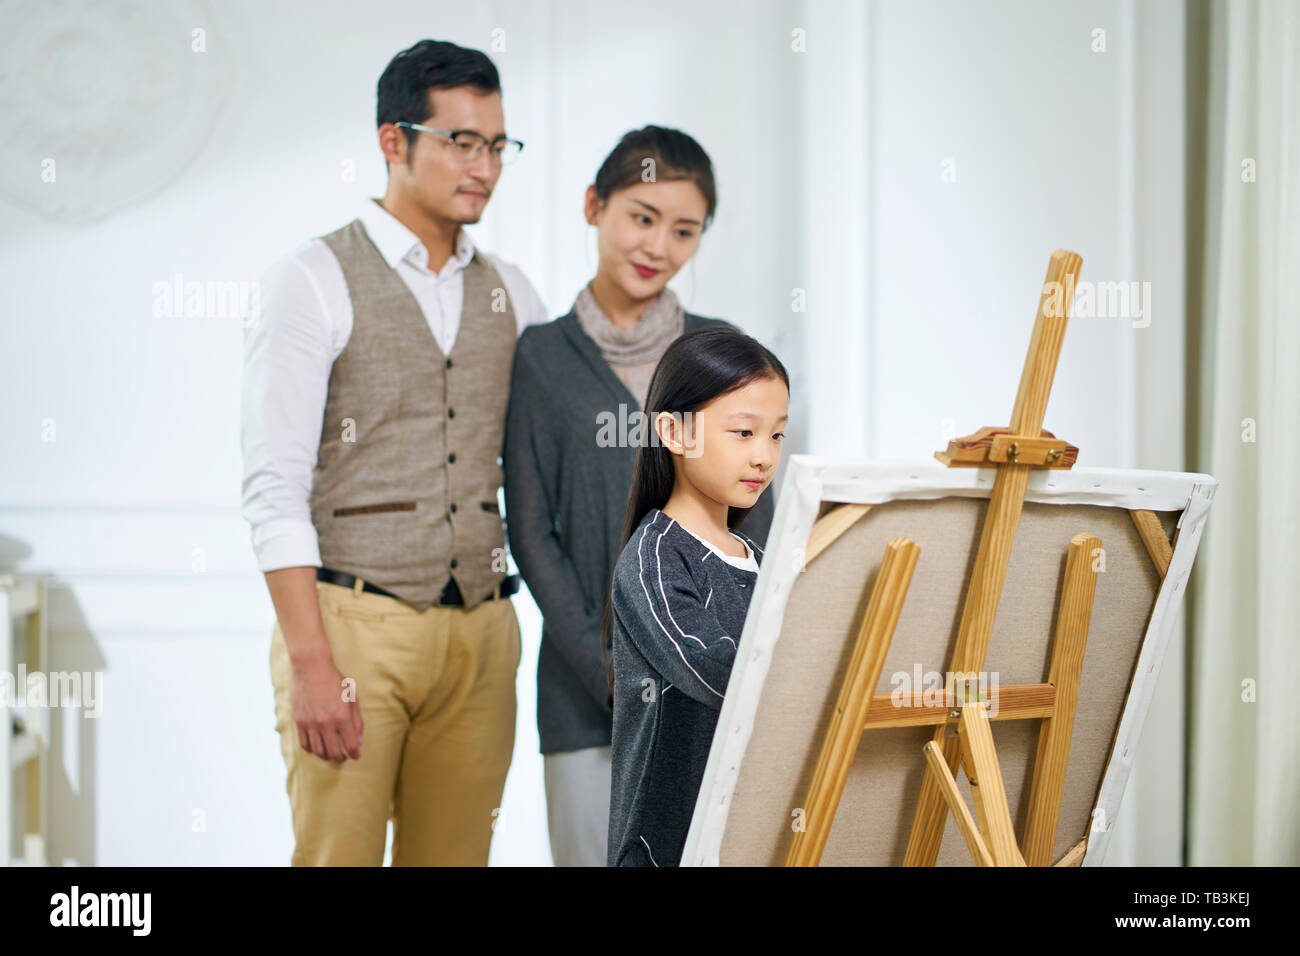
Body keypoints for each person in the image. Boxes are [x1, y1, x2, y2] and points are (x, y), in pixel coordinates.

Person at [240, 38, 547, 865]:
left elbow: (543, 464)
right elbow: (273, 488)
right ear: (393, 140)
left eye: (496, 145)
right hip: (353, 625)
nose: (483, 165)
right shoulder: (312, 278)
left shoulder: (514, 292)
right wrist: (311, 664)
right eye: (460, 141)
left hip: (484, 633)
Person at [503, 126, 775, 866]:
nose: (658, 245)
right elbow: (531, 531)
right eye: (642, 216)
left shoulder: (723, 351)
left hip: (711, 693)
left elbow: (759, 518)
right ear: (595, 206)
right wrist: (613, 673)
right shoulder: (542, 356)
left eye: (683, 229)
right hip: (584, 700)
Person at [604, 326, 789, 867]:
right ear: (675, 432)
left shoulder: (759, 558)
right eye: (743, 433)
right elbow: (715, 670)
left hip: (748, 836)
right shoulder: (654, 558)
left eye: (776, 435)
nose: (764, 457)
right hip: (669, 848)